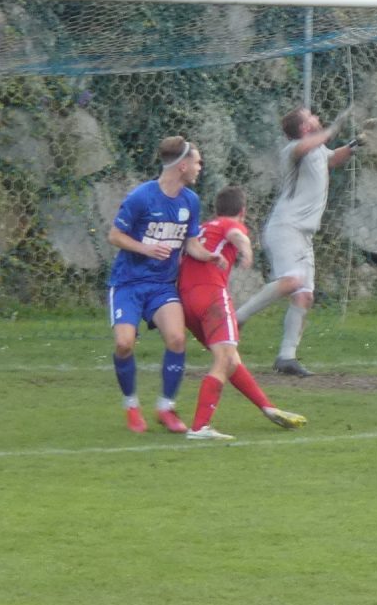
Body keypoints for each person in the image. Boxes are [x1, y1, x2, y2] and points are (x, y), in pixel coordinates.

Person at [177, 186, 308, 442]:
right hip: (211, 295)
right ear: (243, 211)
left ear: (216, 208)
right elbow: (237, 234)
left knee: (230, 359)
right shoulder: (230, 224)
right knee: (223, 359)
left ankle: (267, 407)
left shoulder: (203, 228)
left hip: (186, 300)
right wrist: (247, 251)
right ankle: (200, 427)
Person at [235, 107, 356, 377]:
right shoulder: (293, 149)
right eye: (310, 116)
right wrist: (332, 129)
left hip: (303, 234)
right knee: (292, 282)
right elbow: (306, 147)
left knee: (304, 296)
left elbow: (333, 158)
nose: (316, 116)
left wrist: (355, 145)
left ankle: (286, 357)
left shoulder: (318, 149)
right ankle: (238, 317)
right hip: (286, 227)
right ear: (304, 128)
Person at [108, 137, 203, 434]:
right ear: (183, 165)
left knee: (177, 339)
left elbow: (192, 244)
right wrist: (146, 249)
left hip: (162, 286)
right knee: (124, 344)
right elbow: (114, 235)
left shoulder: (191, 201)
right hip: (128, 283)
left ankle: (166, 407)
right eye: (197, 162)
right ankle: (131, 405)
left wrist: (212, 256)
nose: (200, 167)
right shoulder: (142, 197)